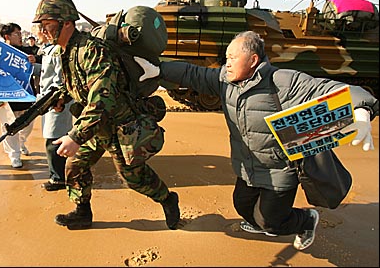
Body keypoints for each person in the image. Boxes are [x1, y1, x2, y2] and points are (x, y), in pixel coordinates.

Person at [135, 30, 378, 250]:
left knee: (270, 221)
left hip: (278, 170)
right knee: (242, 206)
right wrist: (160, 71)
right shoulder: (225, 81)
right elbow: (193, 73)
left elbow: (328, 88)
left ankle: (306, 221)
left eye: (232, 58)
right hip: (247, 167)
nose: (226, 63)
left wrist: (362, 109)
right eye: (227, 57)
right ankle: (264, 221)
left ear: (253, 60)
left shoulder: (282, 81)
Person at [31, 0, 180, 230]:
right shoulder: (66, 51)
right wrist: (61, 97)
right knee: (75, 166)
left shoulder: (91, 50)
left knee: (134, 178)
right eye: (41, 25)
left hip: (118, 126)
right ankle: (82, 212)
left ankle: (167, 199)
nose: (44, 30)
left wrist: (75, 136)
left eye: (48, 24)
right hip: (96, 127)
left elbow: (101, 98)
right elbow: (80, 85)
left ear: (67, 22)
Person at [0, 22, 37, 168]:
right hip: (7, 96)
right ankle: (14, 154)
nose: (20, 37)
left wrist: (34, 60)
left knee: (28, 123)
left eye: (20, 33)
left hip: (26, 94)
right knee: (8, 125)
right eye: (17, 34)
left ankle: (21, 142)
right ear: (7, 36)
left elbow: (40, 56)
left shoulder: (26, 52)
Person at [37, 36, 73, 191]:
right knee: (54, 137)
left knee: (54, 139)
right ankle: (59, 174)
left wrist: (58, 99)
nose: (40, 32)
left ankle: (58, 178)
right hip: (48, 99)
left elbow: (60, 77)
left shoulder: (57, 50)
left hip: (56, 100)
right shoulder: (48, 49)